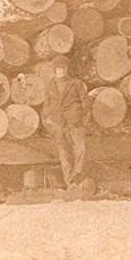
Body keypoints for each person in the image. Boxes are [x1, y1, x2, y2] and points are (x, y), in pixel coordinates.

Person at [40, 56, 90, 188]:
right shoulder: (50, 85)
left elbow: (85, 101)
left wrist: (79, 114)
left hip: (75, 122)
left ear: (67, 69)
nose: (61, 71)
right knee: (64, 153)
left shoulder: (76, 83)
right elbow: (46, 104)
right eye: (58, 69)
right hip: (58, 123)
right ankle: (70, 182)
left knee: (81, 148)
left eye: (63, 68)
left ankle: (78, 172)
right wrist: (49, 117)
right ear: (54, 70)